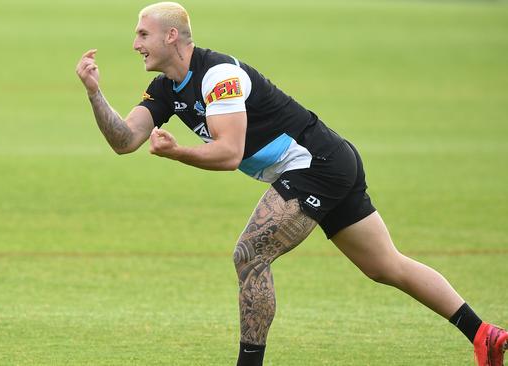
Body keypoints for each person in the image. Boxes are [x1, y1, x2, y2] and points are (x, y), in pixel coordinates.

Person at [75, 2, 507, 365]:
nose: (135, 44)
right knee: (385, 266)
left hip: (318, 165)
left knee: (250, 254)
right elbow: (125, 140)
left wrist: (177, 152)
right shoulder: (166, 88)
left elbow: (228, 153)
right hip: (327, 163)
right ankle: (483, 333)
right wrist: (95, 93)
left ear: (172, 36)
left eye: (142, 34)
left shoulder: (217, 75)